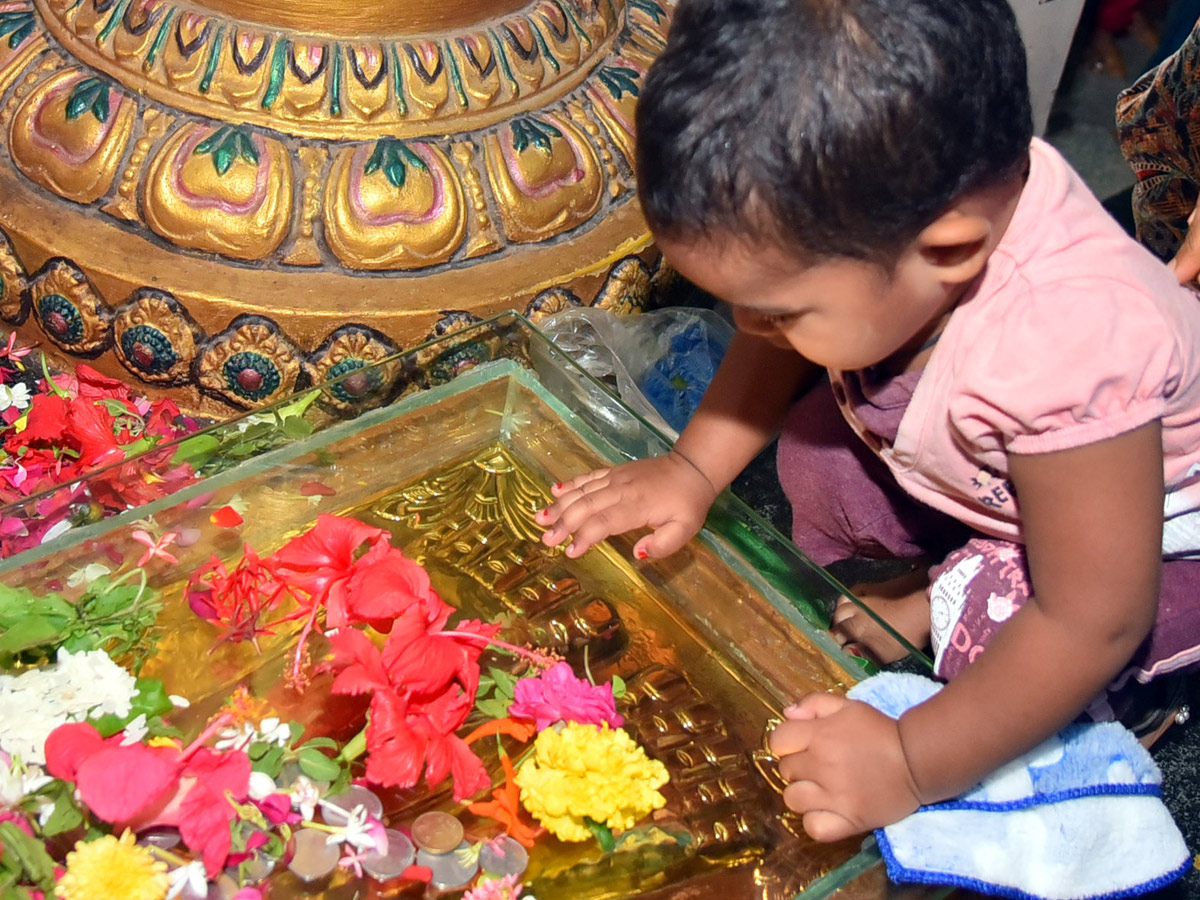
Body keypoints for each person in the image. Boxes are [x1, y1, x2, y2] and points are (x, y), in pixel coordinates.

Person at [536, 0, 1200, 843]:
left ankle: (1123, 713)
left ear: (950, 252)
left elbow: (1093, 616)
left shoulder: (1070, 352)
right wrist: (693, 470)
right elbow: (776, 318)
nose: (752, 328)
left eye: (778, 310)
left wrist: (911, 761)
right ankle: (955, 565)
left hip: (1154, 536)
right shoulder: (903, 215)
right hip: (1001, 470)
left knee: (996, 639)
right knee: (817, 468)